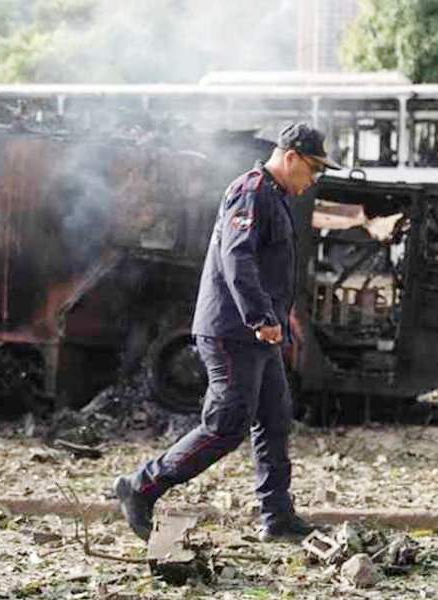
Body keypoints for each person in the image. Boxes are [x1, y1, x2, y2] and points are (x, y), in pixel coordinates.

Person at [114, 122, 342, 543]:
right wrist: (260, 317)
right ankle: (141, 486)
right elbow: (237, 258)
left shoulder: (272, 195)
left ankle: (277, 517)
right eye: (314, 170)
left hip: (257, 334)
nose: (314, 180)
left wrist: (277, 316)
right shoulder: (251, 191)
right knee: (225, 426)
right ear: (291, 157)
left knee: (274, 418)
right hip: (235, 332)